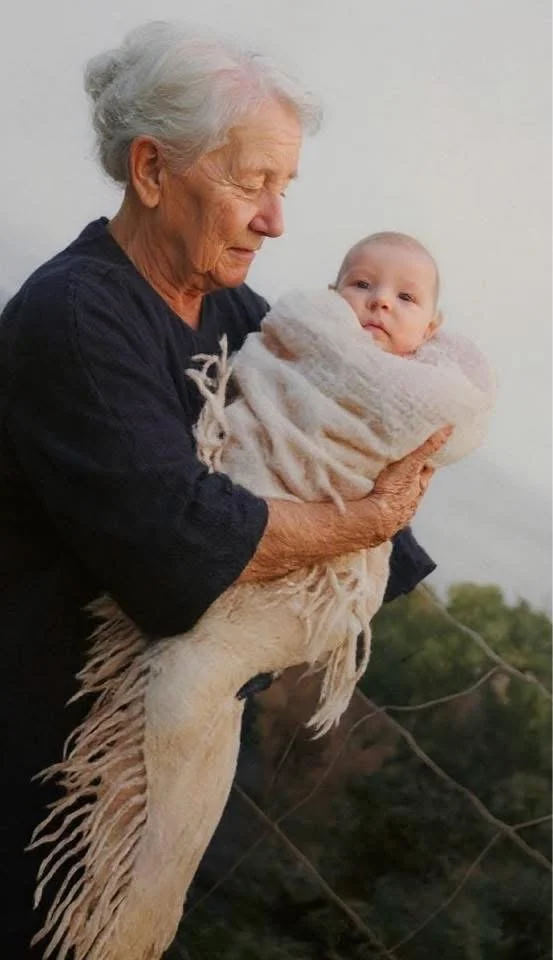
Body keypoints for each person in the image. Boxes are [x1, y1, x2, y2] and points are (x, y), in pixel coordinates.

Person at [0, 20, 448, 957]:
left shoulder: (238, 312)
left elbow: (350, 435)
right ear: (152, 169)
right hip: (38, 772)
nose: (276, 220)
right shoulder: (77, 315)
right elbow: (181, 546)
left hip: (146, 785)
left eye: (285, 188)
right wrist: (365, 518)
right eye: (252, 184)